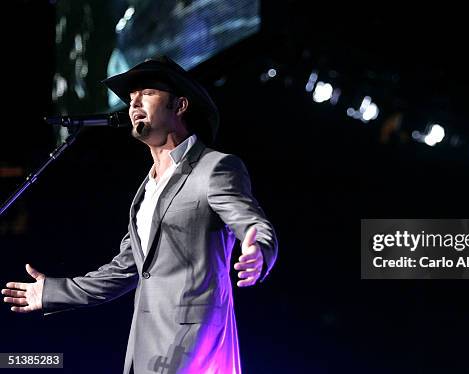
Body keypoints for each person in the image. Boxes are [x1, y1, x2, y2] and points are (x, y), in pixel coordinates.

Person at [1, 56, 278, 374]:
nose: (134, 103)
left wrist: (258, 253)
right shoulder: (146, 191)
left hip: (197, 347)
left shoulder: (214, 167)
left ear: (180, 105)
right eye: (131, 98)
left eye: (146, 93)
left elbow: (255, 225)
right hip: (145, 351)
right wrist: (51, 292)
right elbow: (124, 270)